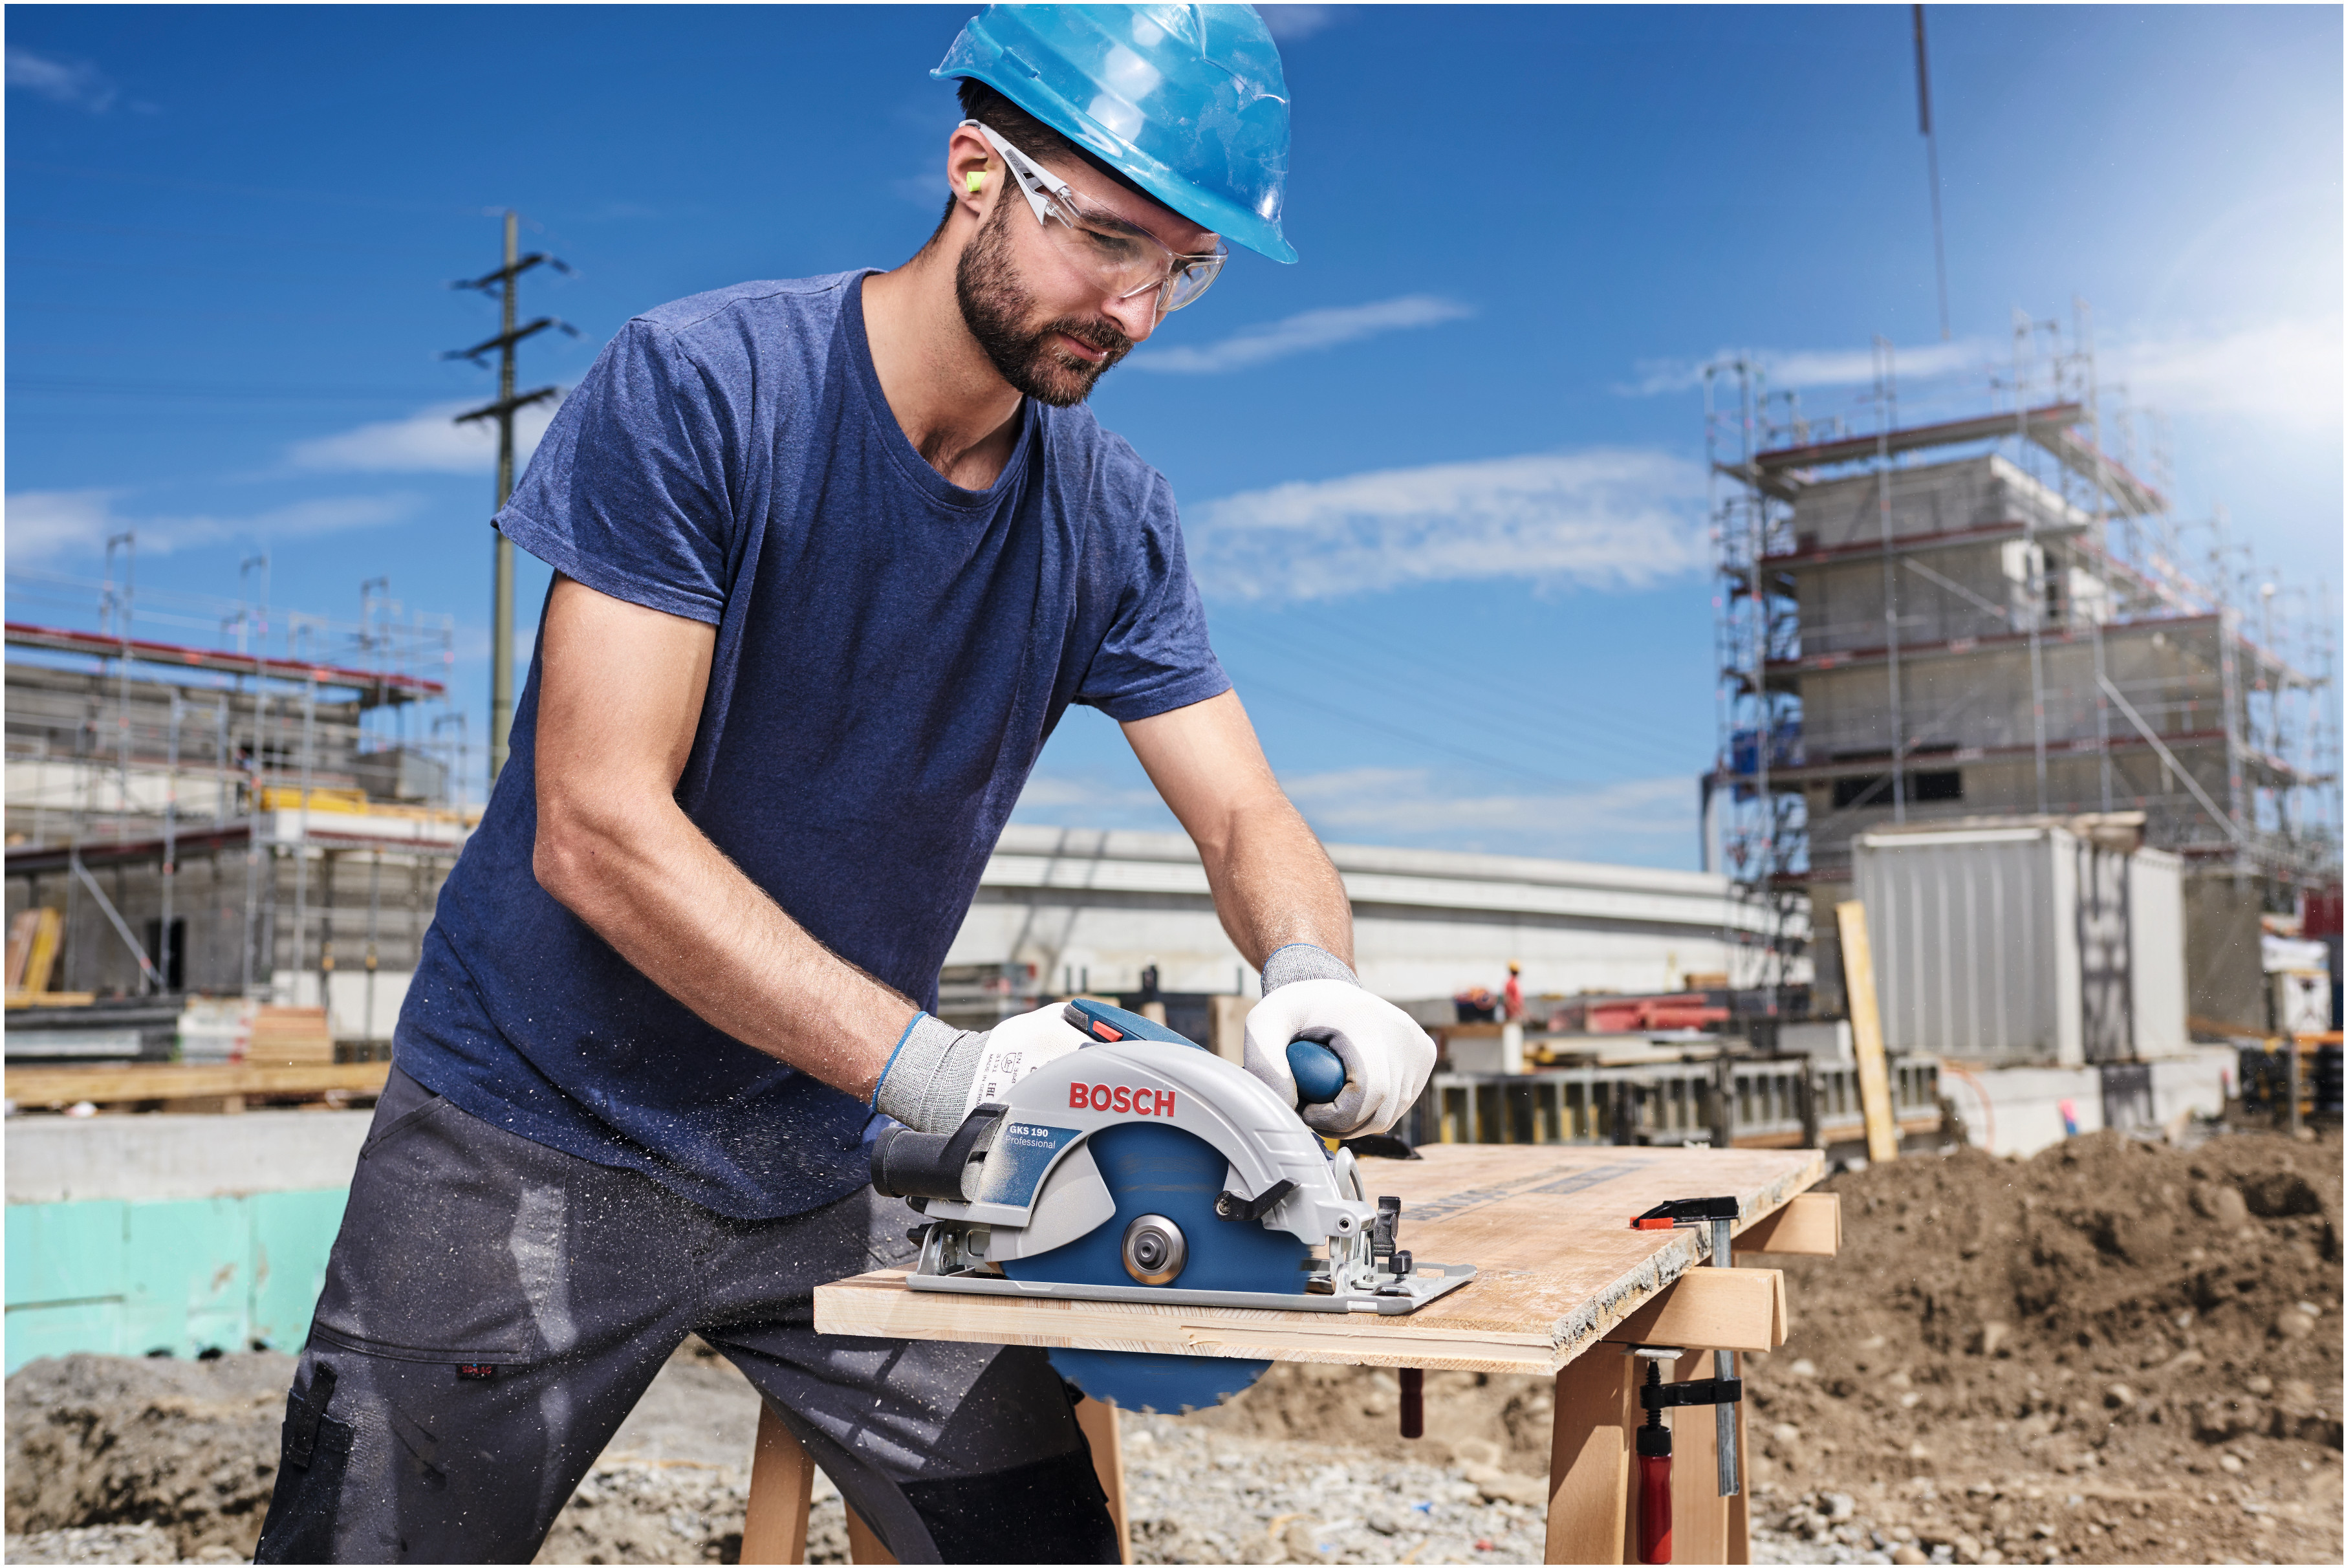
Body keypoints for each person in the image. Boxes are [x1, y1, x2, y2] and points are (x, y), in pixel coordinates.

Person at [252, 6, 1435, 1563]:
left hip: (847, 1159)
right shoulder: (705, 391)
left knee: (1044, 1552)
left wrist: (1309, 971)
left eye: (1185, 269)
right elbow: (599, 830)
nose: (1140, 310)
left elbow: (1241, 814)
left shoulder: (1114, 519)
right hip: (526, 1135)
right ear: (975, 171)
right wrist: (949, 1080)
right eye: (1113, 243)